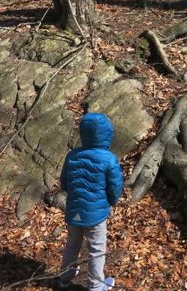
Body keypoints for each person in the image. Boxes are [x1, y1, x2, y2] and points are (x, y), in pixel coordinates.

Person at [59, 113, 123, 290]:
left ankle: (65, 277)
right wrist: (111, 201)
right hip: (97, 214)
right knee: (96, 250)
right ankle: (96, 286)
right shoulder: (109, 159)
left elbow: (64, 182)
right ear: (107, 134)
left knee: (72, 245)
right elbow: (115, 186)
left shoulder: (72, 155)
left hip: (73, 210)